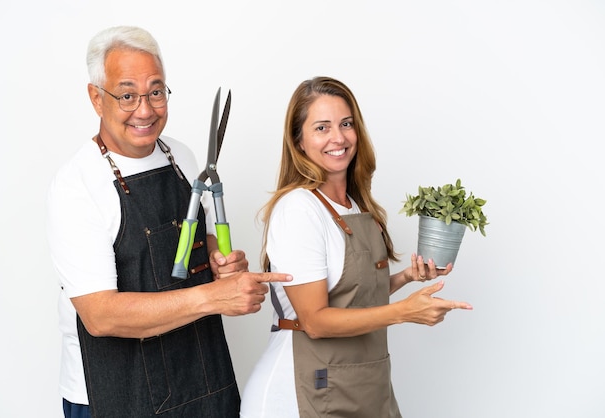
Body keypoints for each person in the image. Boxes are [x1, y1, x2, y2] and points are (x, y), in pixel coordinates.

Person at [46, 26, 291, 418]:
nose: (145, 110)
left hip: (201, 376)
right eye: (127, 95)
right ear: (96, 98)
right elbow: (101, 315)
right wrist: (214, 297)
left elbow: (205, 244)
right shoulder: (77, 185)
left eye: (156, 92)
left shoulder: (182, 157)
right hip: (115, 393)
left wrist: (220, 264)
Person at [239, 76, 473, 418]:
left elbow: (350, 295)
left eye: (346, 124)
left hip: (363, 384)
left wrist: (405, 277)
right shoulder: (299, 208)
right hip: (302, 393)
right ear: (299, 141)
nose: (338, 137)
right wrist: (405, 312)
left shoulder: (356, 205)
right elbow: (316, 321)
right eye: (322, 127)